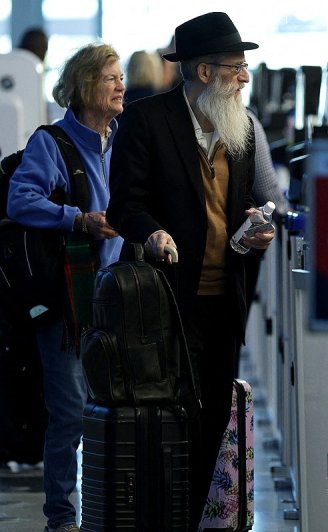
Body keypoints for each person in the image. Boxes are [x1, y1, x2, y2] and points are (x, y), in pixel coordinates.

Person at [106, 11, 273, 529]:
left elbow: (241, 199)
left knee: (210, 423)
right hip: (166, 301)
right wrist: (152, 232)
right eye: (236, 66)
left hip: (224, 300)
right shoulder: (147, 119)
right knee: (167, 423)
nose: (245, 76)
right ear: (204, 72)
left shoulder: (239, 127)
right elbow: (123, 207)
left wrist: (254, 227)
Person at [6, 42, 124, 532]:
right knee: (71, 415)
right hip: (65, 303)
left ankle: (107, 511)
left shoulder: (122, 141)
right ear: (83, 87)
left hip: (114, 295)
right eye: (109, 78)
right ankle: (61, 519)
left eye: (121, 77)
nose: (121, 86)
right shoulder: (51, 143)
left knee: (112, 413)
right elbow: (20, 200)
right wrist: (76, 218)